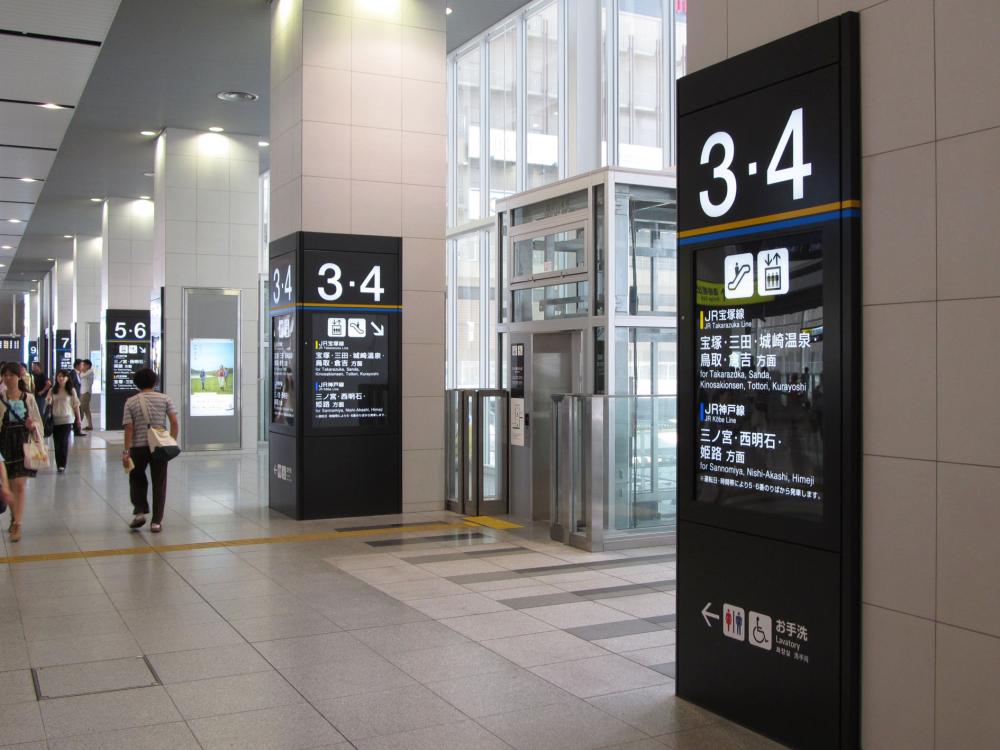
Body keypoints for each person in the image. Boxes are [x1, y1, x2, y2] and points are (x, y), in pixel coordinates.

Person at [122, 367, 178, 533]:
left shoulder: (131, 401)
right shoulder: (165, 399)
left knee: (136, 479)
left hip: (138, 447)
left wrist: (126, 451)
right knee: (159, 482)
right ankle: (156, 522)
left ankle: (139, 512)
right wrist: (171, 441)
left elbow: (129, 428)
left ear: (136, 383)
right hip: (160, 447)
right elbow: (174, 422)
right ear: (155, 382)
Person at [0, 362, 43, 542]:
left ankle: (18, 524)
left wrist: (32, 426)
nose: (8, 378)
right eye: (5, 375)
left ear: (20, 376)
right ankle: (13, 515)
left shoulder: (28, 398)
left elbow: (38, 422)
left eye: (12, 374)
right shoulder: (0, 398)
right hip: (4, 443)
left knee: (19, 484)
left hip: (23, 443)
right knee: (8, 486)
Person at [46, 370, 82, 473]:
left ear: (67, 378)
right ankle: (59, 464)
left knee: (64, 441)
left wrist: (78, 419)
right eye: (59, 376)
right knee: (57, 442)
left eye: (63, 377)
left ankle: (63, 464)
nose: (61, 378)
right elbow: (48, 402)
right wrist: (48, 401)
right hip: (55, 419)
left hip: (67, 419)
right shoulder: (53, 390)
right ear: (56, 378)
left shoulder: (71, 390)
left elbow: (76, 405)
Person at [79, 359, 95, 430]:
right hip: (83, 392)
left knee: (81, 408)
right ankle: (90, 425)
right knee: (87, 410)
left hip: (86, 393)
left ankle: (78, 424)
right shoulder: (86, 372)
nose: (82, 367)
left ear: (88, 365)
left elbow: (81, 376)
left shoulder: (90, 371)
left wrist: (81, 371)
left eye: (83, 365)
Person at [71, 360, 85, 435]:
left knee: (78, 413)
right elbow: (72, 385)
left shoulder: (78, 374)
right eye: (81, 365)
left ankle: (77, 430)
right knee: (78, 413)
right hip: (74, 397)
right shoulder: (73, 373)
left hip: (77, 396)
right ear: (77, 365)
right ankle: (77, 430)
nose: (82, 367)